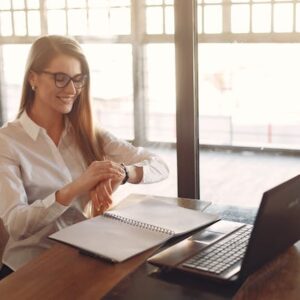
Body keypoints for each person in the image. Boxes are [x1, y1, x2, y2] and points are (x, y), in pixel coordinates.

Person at [0, 35, 169, 279]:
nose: (71, 90)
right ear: (33, 78)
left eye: (78, 80)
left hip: (82, 257)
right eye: (60, 78)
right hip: (28, 269)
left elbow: (159, 164)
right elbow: (16, 224)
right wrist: (76, 187)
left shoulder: (88, 132)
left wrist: (123, 173)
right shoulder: (7, 141)